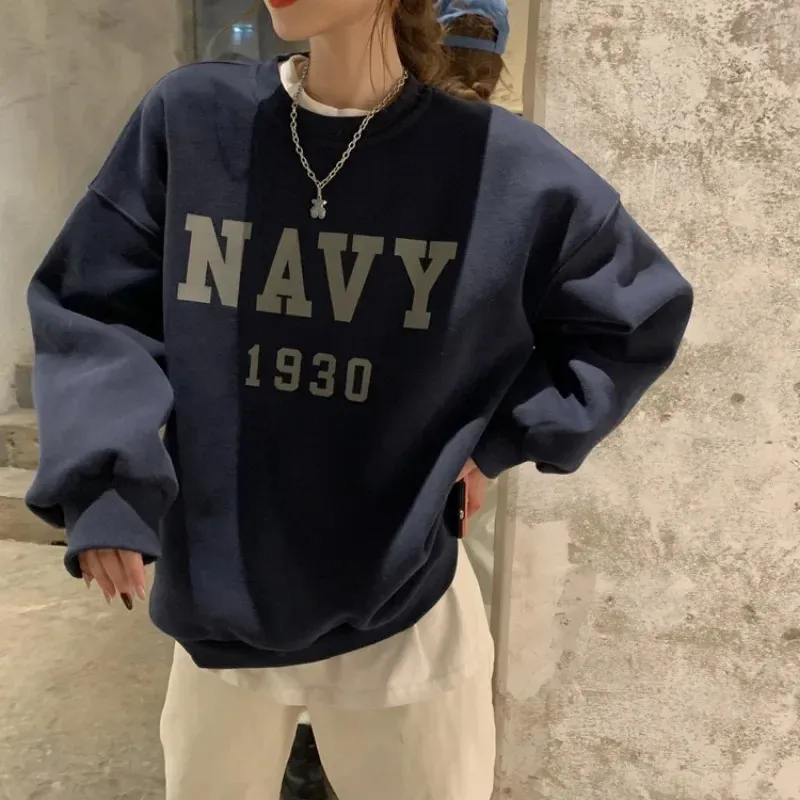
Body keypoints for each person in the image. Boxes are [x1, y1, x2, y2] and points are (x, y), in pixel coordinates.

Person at [25, 0, 693, 797]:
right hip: (219, 597)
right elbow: (97, 305)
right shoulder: (194, 119)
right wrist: (106, 477)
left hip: (403, 609)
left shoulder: (503, 166)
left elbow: (634, 316)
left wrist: (498, 442)